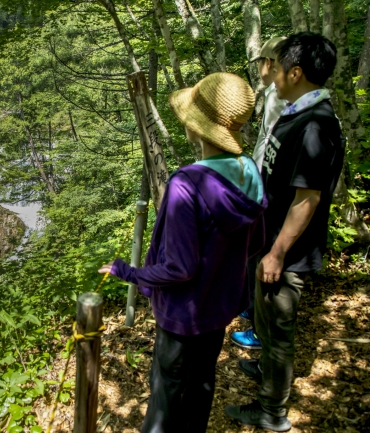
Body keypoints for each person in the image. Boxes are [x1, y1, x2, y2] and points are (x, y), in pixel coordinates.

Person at [98, 72, 266, 433]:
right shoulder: (249, 170)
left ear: (198, 126)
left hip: (182, 314)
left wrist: (127, 272)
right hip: (219, 307)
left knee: (165, 396)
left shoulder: (185, 185)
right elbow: (257, 242)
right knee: (202, 384)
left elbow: (179, 267)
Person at [225, 32, 344, 432]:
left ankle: (271, 412)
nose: (271, 75)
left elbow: (307, 199)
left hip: (286, 252)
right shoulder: (297, 111)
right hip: (270, 239)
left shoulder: (316, 125)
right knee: (266, 322)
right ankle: (267, 373)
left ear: (295, 72)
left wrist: (276, 253)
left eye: (276, 67)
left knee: (278, 333)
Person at [231, 36, 287, 351]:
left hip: (269, 187)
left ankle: (258, 325)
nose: (261, 70)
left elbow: (273, 146)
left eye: (262, 63)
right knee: (254, 248)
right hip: (263, 183)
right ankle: (251, 308)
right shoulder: (273, 95)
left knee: (260, 249)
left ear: (270, 63)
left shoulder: (282, 98)